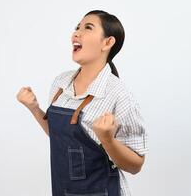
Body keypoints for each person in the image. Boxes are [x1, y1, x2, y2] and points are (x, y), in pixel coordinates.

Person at [17, 10, 148, 196]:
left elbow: (136, 165)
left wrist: (108, 140)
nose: (76, 33)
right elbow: (60, 137)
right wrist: (34, 109)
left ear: (108, 42)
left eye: (88, 27)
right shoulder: (61, 83)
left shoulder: (118, 93)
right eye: (77, 27)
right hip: (62, 190)